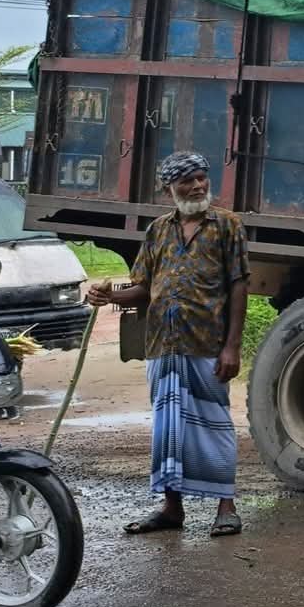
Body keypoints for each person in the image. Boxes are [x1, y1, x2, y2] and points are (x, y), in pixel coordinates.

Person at [85, 151, 249, 538]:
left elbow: (239, 285)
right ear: (168, 189)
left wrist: (232, 346)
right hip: (163, 346)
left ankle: (226, 507)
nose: (197, 186)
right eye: (186, 181)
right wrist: (109, 296)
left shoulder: (227, 225)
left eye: (201, 178)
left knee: (214, 423)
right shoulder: (157, 230)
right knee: (168, 427)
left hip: (207, 343)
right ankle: (172, 508)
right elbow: (144, 288)